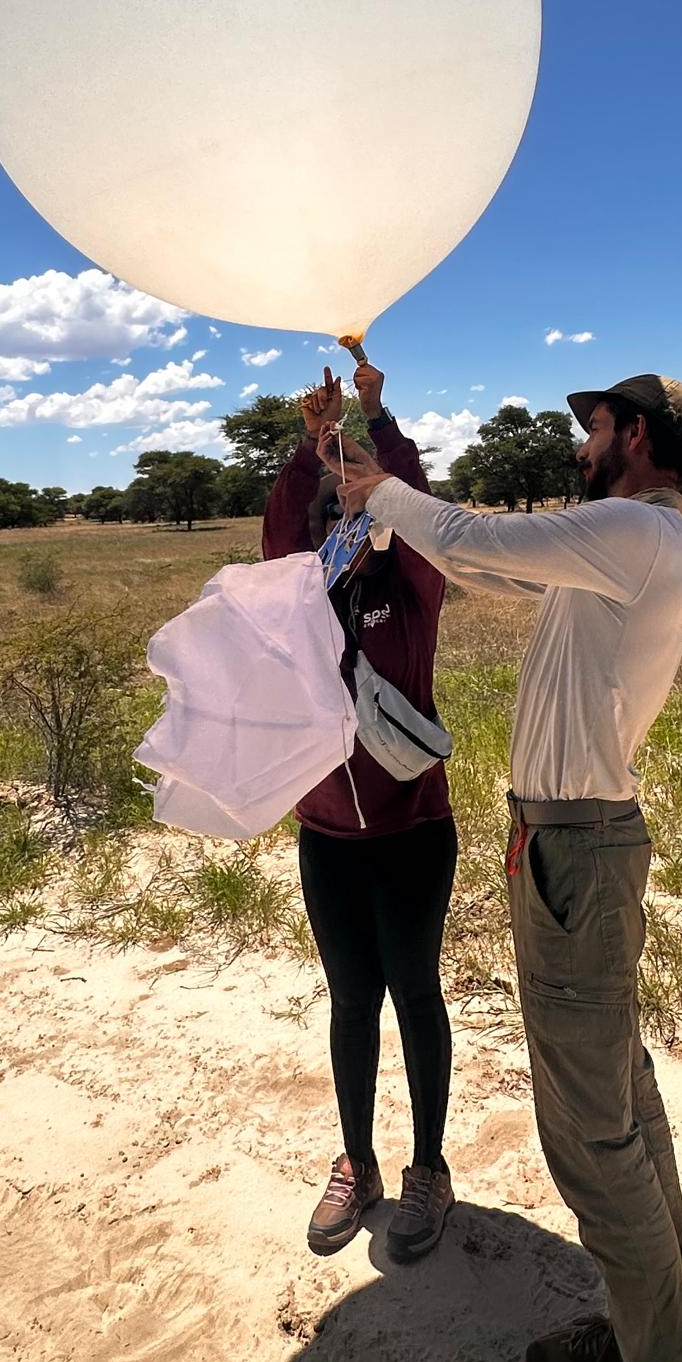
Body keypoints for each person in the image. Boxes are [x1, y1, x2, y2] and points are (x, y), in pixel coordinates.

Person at [333, 373, 682, 1362]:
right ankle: (642, 1336)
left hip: (578, 851)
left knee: (594, 1145)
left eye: (595, 424)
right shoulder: (611, 550)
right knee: (626, 1107)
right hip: (569, 847)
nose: (580, 438)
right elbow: (495, 564)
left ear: (638, 440)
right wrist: (388, 491)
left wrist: (380, 491)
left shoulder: (633, 530)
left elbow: (479, 542)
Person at [263, 355, 457, 1264]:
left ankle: (428, 1171)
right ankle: (358, 1163)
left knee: (415, 993)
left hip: (413, 826)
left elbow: (416, 500)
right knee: (351, 1001)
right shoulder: (300, 587)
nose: (350, 491)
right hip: (326, 833)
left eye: (360, 481)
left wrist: (378, 421)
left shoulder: (409, 579)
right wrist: (311, 447)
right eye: (336, 485)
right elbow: (273, 538)